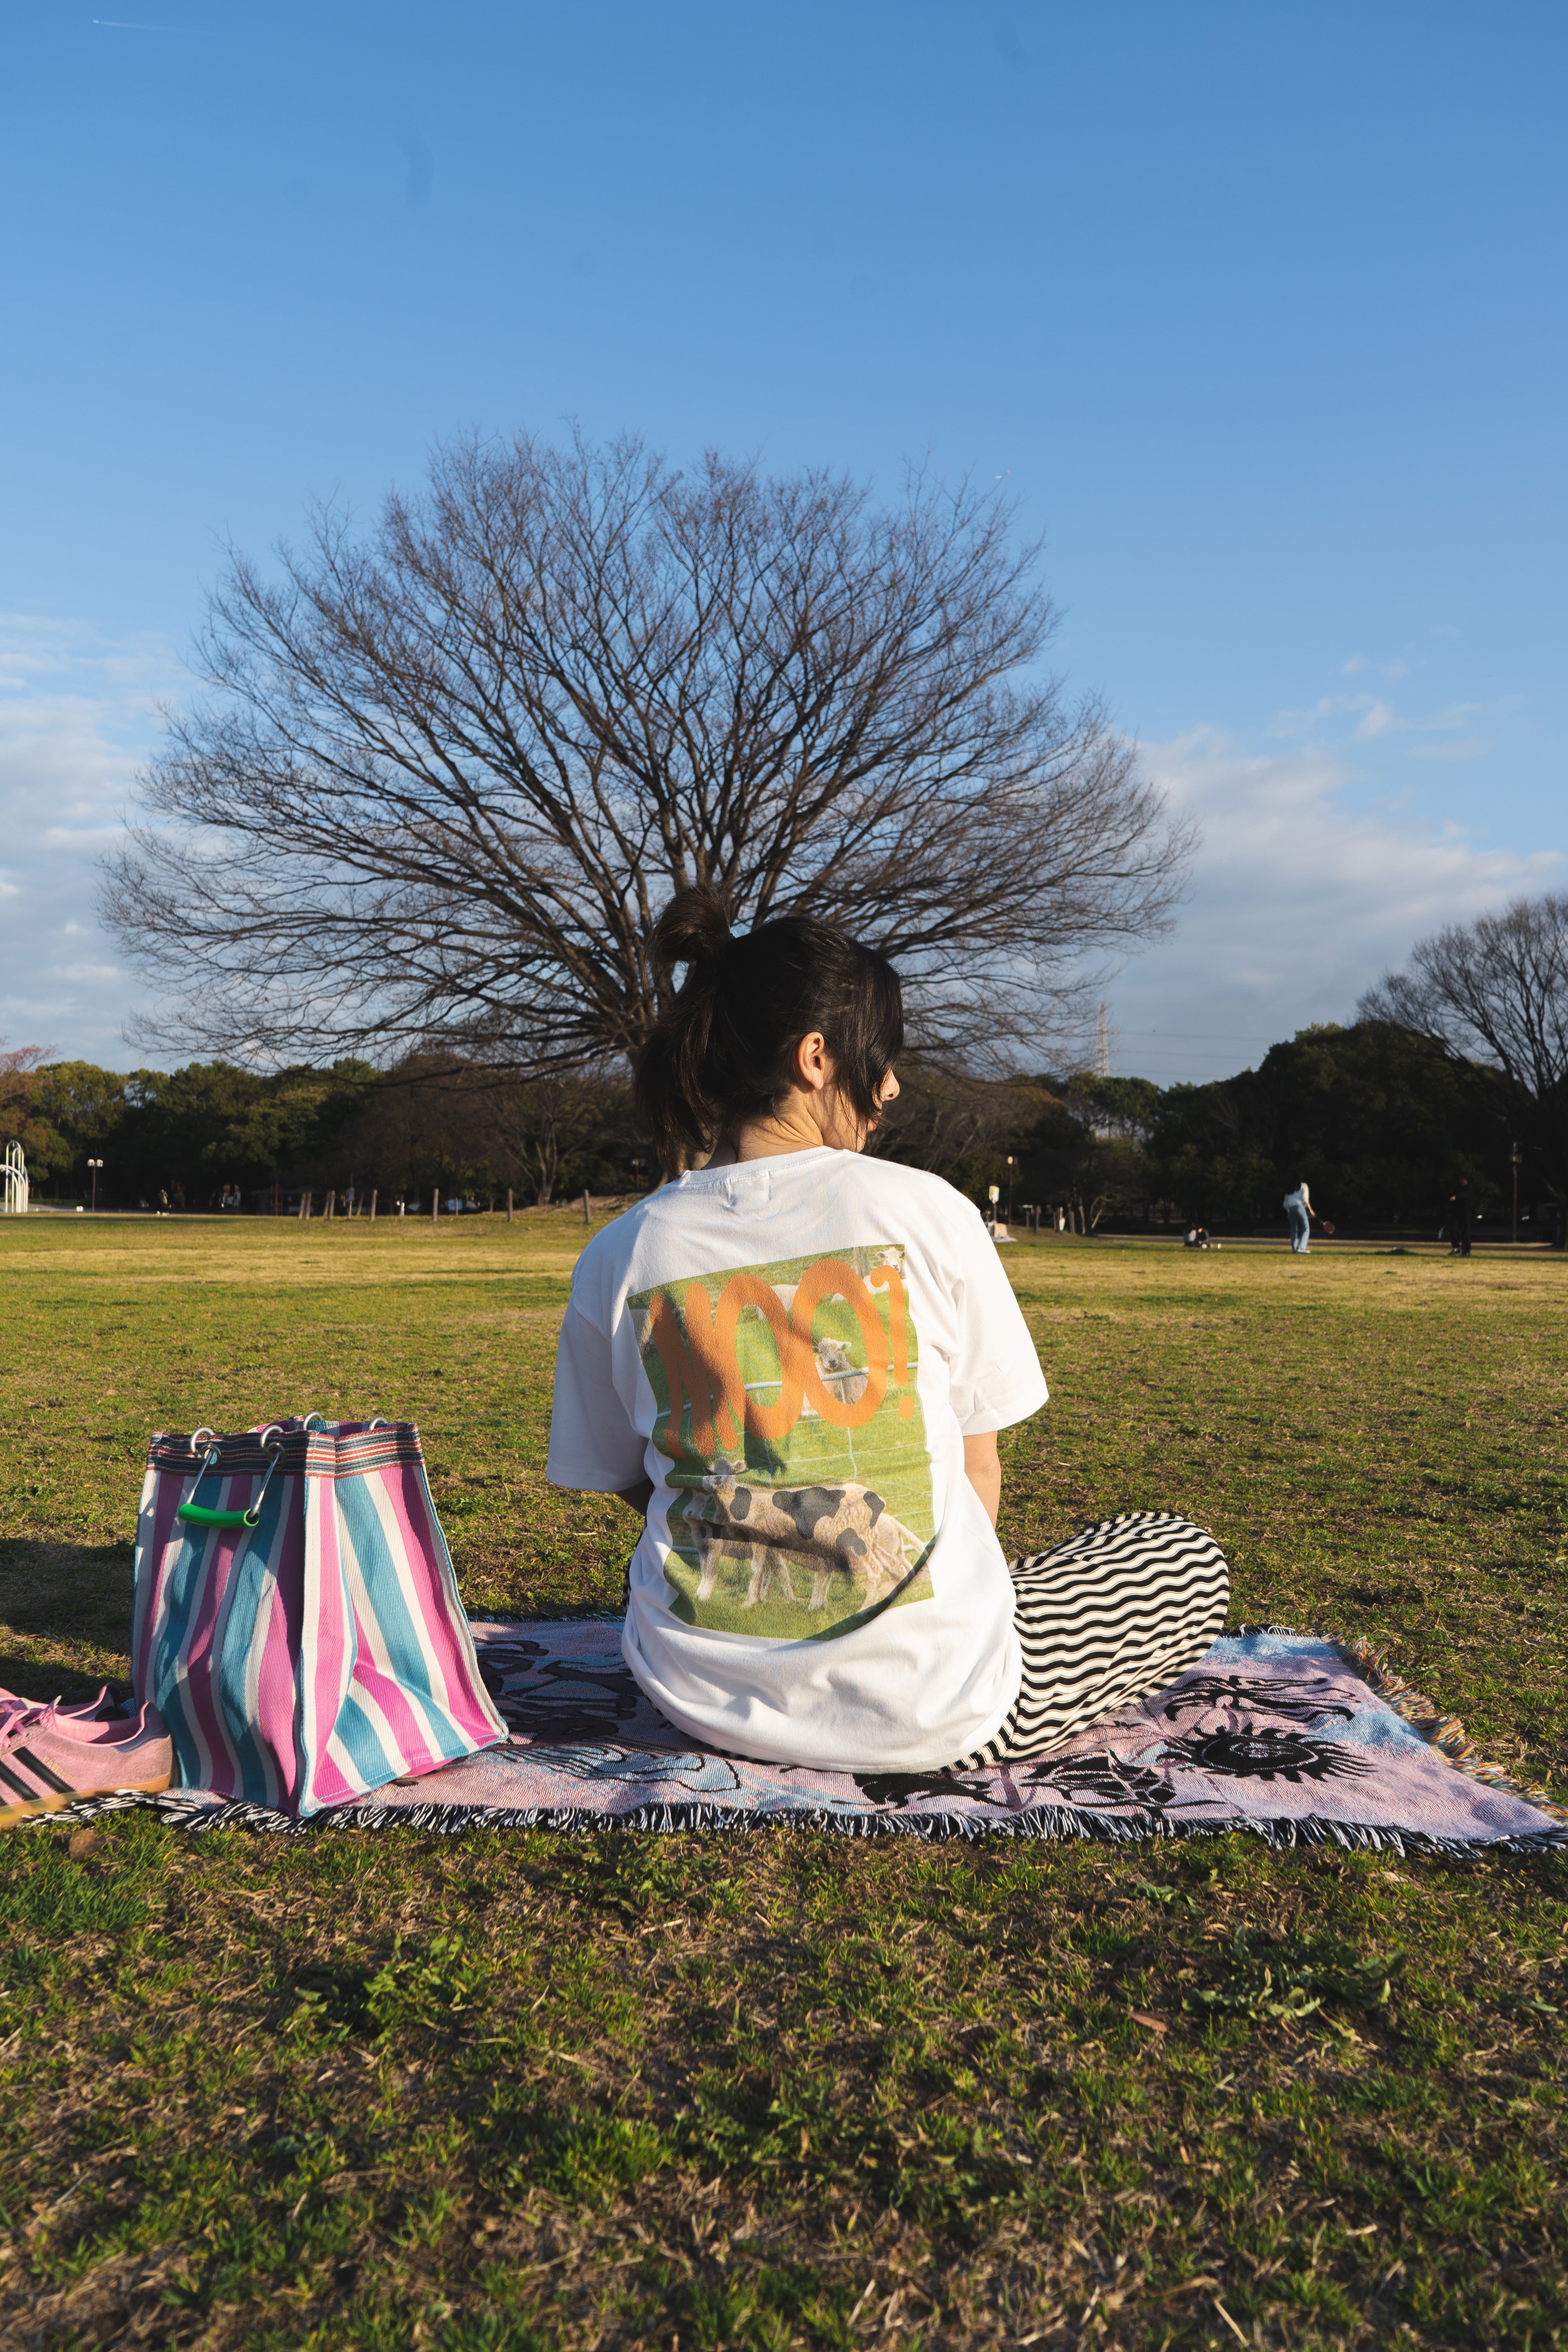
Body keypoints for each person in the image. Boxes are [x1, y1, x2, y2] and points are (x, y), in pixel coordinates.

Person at [546, 888, 1228, 1773]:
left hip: (696, 1697)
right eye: (884, 1057)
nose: (893, 1086)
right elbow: (978, 1471)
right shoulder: (926, 1210)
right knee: (1181, 1552)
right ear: (816, 1057)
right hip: (936, 1709)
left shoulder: (622, 1249)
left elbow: (626, 1477)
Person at [1283, 1179, 1315, 1254]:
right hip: (1300, 1207)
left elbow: (1285, 1204)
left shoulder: (1290, 1188)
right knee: (1306, 1228)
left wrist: (1289, 1212)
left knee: (1294, 1229)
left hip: (1291, 1209)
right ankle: (1301, 1247)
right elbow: (1305, 1199)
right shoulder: (1304, 1186)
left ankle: (1294, 1249)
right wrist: (1311, 1210)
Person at [1448, 1180, 1472, 1258]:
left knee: (1466, 1233)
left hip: (1467, 1214)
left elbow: (1466, 1195)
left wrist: (1456, 1197)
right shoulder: (1457, 1189)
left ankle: (1466, 1252)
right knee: (1453, 1230)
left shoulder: (1469, 1188)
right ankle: (1456, 1248)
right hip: (1457, 1214)